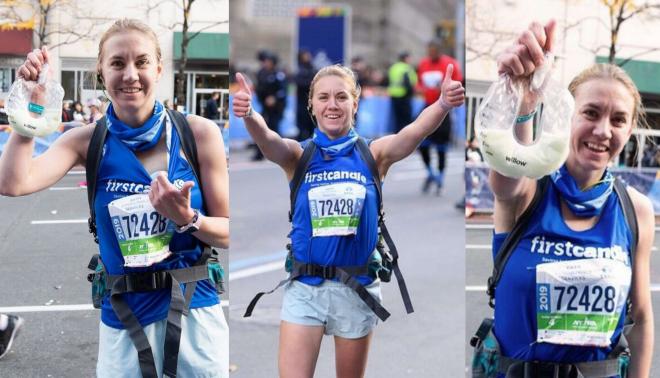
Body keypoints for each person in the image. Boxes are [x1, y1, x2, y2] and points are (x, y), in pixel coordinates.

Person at [0, 19, 229, 377]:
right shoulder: (86, 141)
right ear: (101, 72)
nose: (130, 74)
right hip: (124, 321)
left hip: (194, 317)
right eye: (117, 63)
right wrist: (31, 108)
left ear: (158, 67)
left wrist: (189, 218)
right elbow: (13, 183)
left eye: (141, 62)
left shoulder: (198, 133)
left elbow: (229, 232)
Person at [232, 64, 464, 377]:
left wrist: (443, 104)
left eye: (342, 97)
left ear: (355, 103)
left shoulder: (373, 154)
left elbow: (414, 132)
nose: (332, 104)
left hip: (357, 290)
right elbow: (268, 140)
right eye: (324, 97)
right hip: (305, 290)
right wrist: (249, 116)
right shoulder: (298, 156)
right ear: (311, 105)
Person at [486, 20, 654, 377]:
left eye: (619, 120)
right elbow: (507, 172)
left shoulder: (635, 209)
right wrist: (525, 102)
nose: (603, 130)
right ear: (567, 117)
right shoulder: (529, 191)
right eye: (590, 113)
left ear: (628, 130)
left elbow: (639, 319)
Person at [417, 38, 463, 194]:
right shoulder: (423, 64)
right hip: (427, 106)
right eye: (429, 50)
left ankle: (440, 178)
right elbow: (419, 83)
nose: (431, 53)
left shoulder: (450, 64)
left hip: (443, 108)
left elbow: (458, 83)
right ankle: (431, 173)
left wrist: (447, 89)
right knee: (420, 144)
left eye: (434, 50)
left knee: (441, 147)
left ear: (439, 50)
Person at [253, 51, 287, 160]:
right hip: (265, 107)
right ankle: (259, 153)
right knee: (260, 129)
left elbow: (283, 91)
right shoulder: (261, 73)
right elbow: (259, 89)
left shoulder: (278, 74)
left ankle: (280, 152)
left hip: (276, 108)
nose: (266, 63)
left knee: (275, 129)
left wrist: (274, 98)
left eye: (268, 61)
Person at [387, 51, 418, 134]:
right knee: (406, 119)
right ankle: (406, 136)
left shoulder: (393, 67)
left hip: (393, 96)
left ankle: (396, 136)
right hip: (405, 96)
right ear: (406, 58)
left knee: (397, 119)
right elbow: (412, 82)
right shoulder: (407, 68)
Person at [295, 49, 316, 141]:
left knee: (313, 127)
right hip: (302, 103)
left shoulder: (313, 69)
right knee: (302, 128)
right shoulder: (300, 70)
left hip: (313, 103)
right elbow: (300, 83)